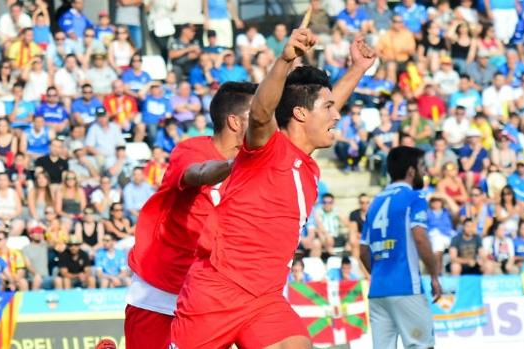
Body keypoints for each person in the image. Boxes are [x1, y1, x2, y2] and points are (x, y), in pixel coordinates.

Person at [171, 28, 375, 348]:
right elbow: (261, 112)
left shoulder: (305, 158)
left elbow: (322, 107)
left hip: (265, 300)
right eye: (330, 109)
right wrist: (284, 59)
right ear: (300, 114)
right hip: (217, 292)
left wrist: (358, 69)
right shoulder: (267, 146)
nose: (338, 116)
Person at [126, 81, 257, 349]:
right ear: (234, 122)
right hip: (163, 285)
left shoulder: (258, 160)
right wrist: (233, 165)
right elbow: (197, 173)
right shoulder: (192, 149)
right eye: (256, 113)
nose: (266, 119)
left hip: (217, 288)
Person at [360, 146, 441, 349]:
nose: (425, 171)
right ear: (411, 171)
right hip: (406, 287)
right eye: (422, 166)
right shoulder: (415, 197)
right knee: (421, 345)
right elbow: (420, 238)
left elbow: (362, 252)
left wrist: (380, 274)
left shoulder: (374, 202)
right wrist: (434, 275)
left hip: (378, 291)